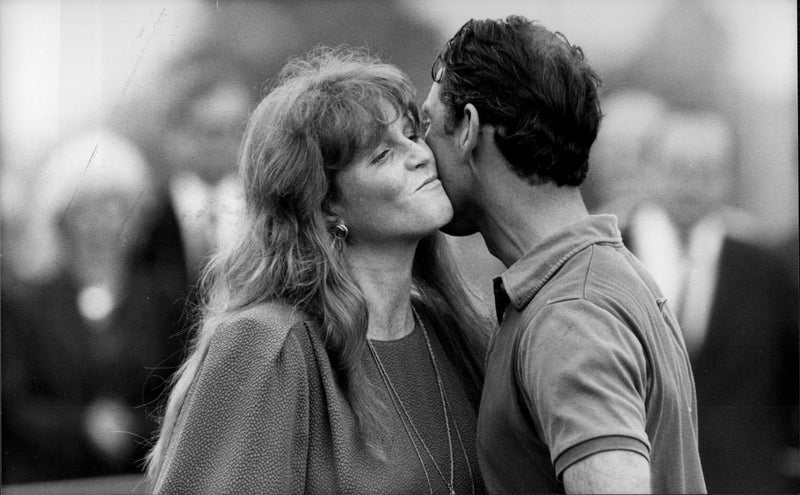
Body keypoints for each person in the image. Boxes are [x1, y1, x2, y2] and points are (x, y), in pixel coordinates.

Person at [146, 47, 489, 494]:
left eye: (412, 134)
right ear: (325, 205)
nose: (421, 156)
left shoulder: (450, 331)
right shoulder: (267, 346)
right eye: (382, 155)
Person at [421, 16, 706, 493]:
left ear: (468, 128)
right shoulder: (603, 275)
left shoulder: (570, 315)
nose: (419, 151)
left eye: (428, 123)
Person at [591, 90, 799, 493]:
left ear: (729, 178)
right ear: (648, 168)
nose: (691, 184)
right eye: (678, 168)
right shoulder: (608, 256)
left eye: (707, 171)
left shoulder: (766, 268)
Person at [1, 130, 189, 483]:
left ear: (137, 220)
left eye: (115, 207)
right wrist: (83, 427)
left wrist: (130, 427)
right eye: (86, 208)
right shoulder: (23, 304)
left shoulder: (167, 300)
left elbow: (182, 395)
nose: (102, 223)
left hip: (143, 480)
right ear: (62, 219)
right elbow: (14, 405)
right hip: (50, 483)